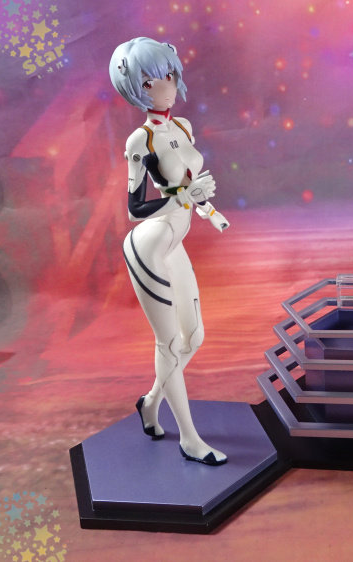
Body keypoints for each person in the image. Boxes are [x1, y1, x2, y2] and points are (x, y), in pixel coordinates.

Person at [109, 37, 229, 465]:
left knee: (193, 337)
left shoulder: (183, 128)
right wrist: (183, 198)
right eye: (152, 80)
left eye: (170, 74)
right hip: (149, 245)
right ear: (136, 88)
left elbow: (190, 188)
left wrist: (207, 209)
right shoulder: (139, 141)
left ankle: (151, 402)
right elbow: (134, 208)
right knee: (170, 342)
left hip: (175, 241)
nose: (167, 85)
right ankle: (190, 440)